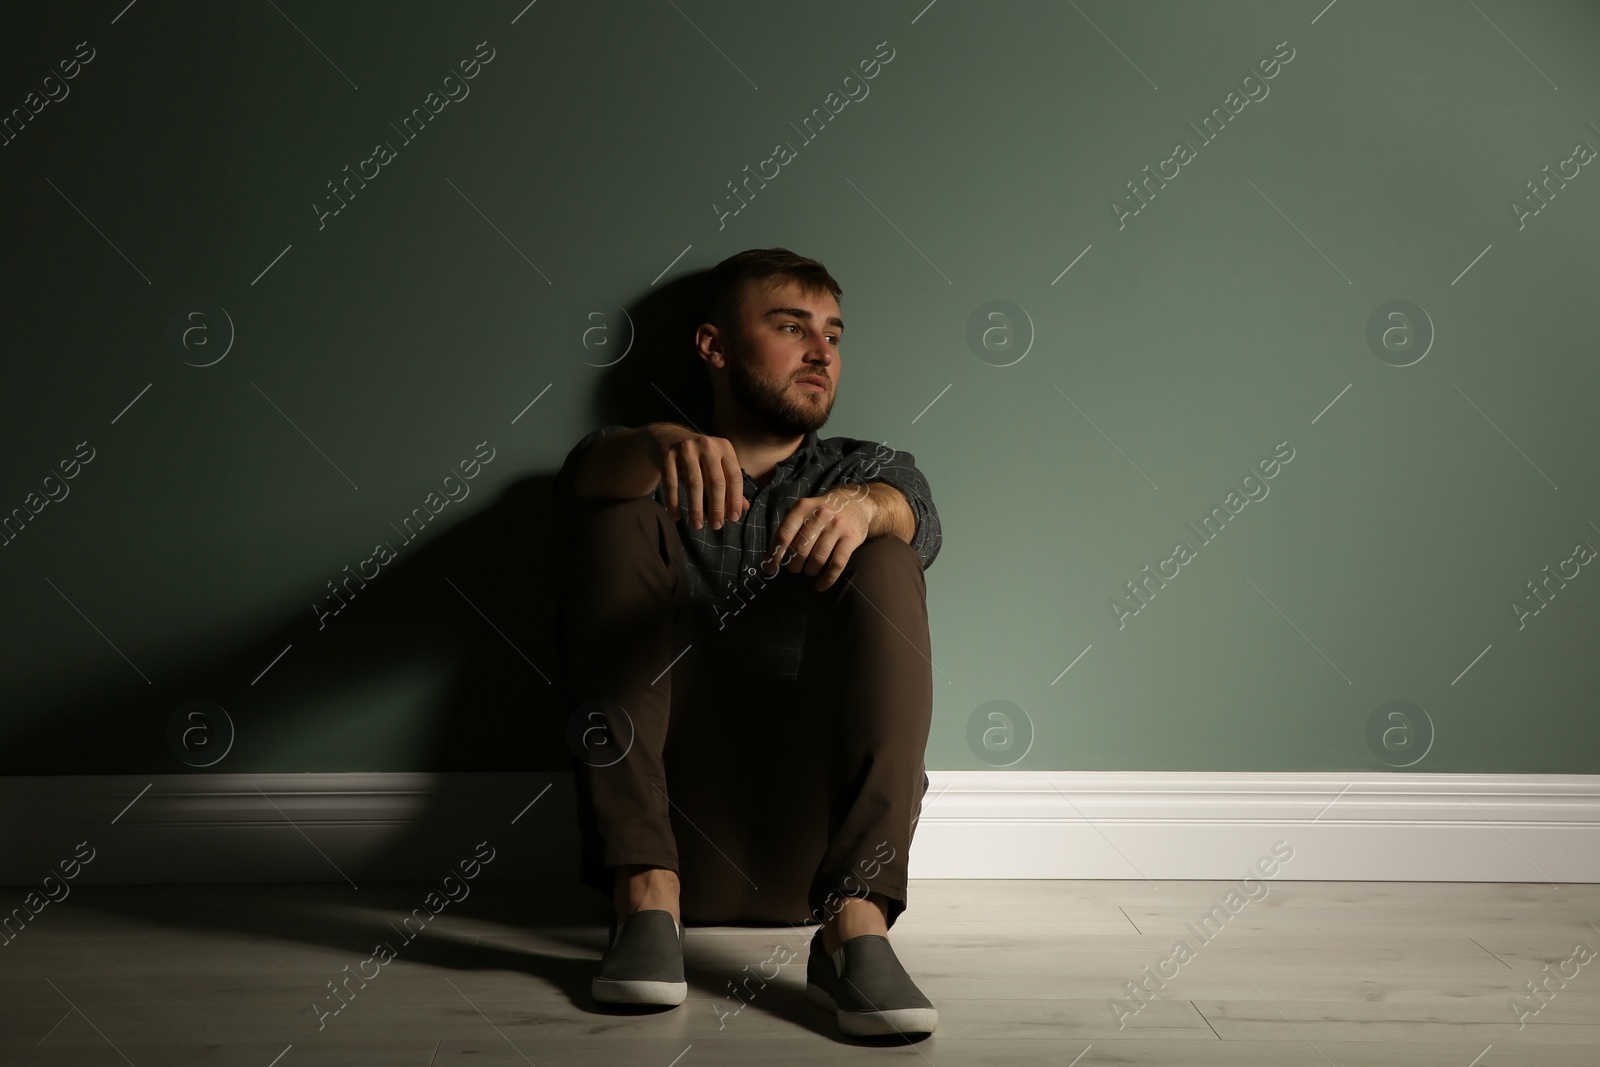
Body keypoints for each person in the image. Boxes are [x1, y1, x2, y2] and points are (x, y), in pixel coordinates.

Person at [553, 247, 941, 1037]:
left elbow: (919, 515)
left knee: (889, 552)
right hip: (664, 834)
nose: (821, 351)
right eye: (791, 327)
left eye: (833, 334)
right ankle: (643, 906)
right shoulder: (642, 461)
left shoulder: (864, 466)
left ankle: (854, 932)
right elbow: (583, 477)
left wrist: (869, 508)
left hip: (815, 846)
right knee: (620, 519)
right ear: (714, 347)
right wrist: (659, 446)